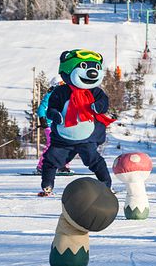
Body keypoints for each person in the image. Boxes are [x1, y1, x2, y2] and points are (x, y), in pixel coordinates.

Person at [38, 49, 116, 196]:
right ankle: (47, 185)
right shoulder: (60, 92)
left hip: (87, 139)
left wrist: (97, 107)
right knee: (50, 160)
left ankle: (106, 185)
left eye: (96, 68)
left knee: (95, 161)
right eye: (85, 67)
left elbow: (103, 103)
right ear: (68, 69)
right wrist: (55, 115)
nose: (93, 73)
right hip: (63, 139)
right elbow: (51, 108)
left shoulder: (95, 92)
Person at [36, 75, 72, 174]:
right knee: (51, 144)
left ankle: (63, 165)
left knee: (67, 144)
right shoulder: (50, 95)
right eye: (62, 84)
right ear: (56, 85)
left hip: (61, 125)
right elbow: (41, 108)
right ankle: (41, 166)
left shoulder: (65, 95)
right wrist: (42, 119)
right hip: (50, 124)